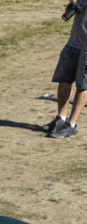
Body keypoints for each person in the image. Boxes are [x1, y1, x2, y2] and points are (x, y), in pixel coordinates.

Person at [42, 0, 87, 138]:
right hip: (73, 42)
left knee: (83, 85)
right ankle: (61, 119)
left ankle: (71, 125)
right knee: (64, 80)